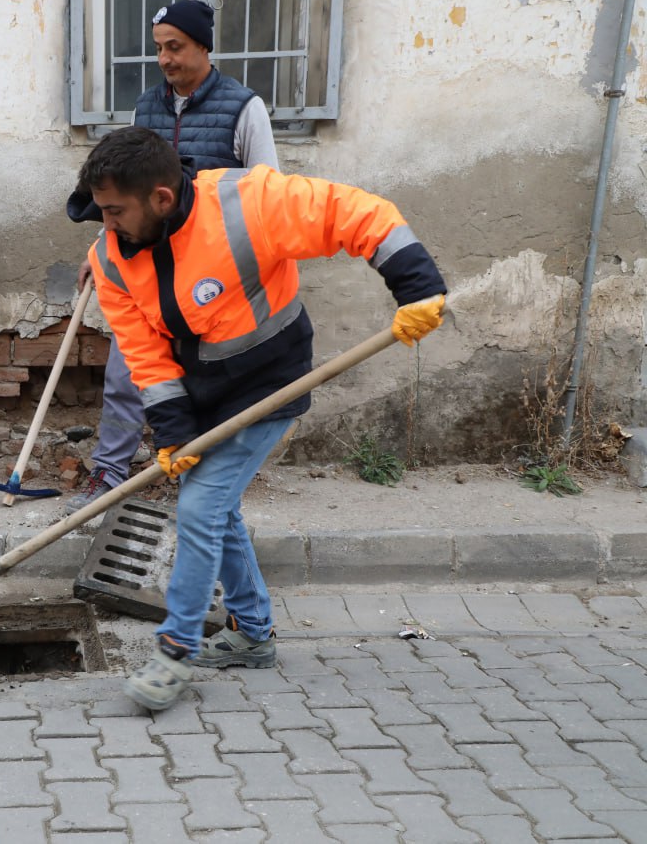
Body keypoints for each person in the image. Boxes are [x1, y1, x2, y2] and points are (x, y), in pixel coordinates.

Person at [68, 126, 446, 711]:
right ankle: (252, 633)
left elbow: (357, 213)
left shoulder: (248, 204)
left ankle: (175, 652)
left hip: (274, 381)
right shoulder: (110, 260)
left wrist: (417, 286)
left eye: (116, 211)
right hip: (203, 396)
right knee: (213, 509)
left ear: (162, 199)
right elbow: (146, 355)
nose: (107, 224)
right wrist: (175, 432)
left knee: (199, 506)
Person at [67, 0, 280, 514]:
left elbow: (267, 196)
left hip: (214, 279)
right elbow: (119, 191)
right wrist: (100, 251)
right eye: (159, 48)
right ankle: (110, 472)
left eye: (175, 47)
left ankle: (208, 481)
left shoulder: (242, 107)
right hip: (146, 272)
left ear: (204, 45)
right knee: (126, 374)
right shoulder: (147, 108)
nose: (164, 58)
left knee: (211, 380)